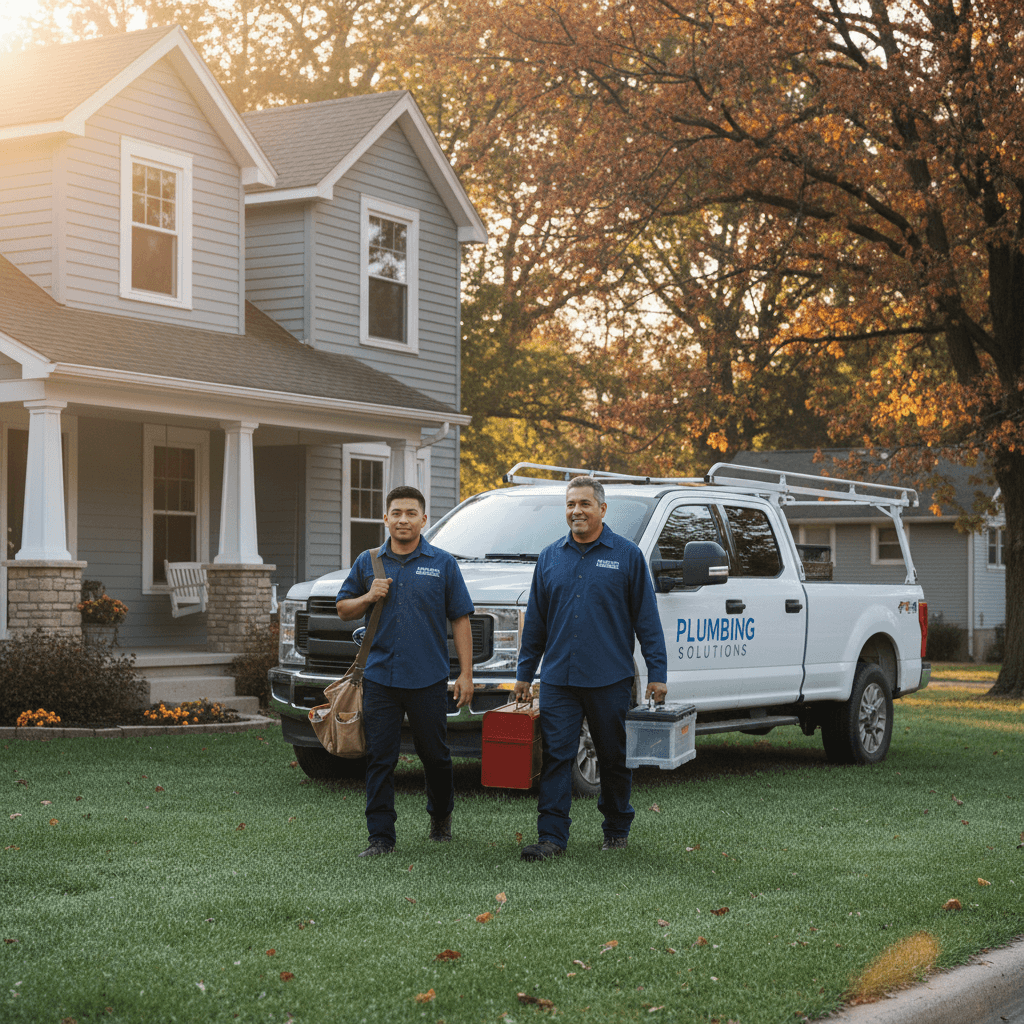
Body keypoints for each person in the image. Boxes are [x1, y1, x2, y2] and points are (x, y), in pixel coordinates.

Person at [513, 475, 668, 860]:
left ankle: (616, 829)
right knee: (556, 758)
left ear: (601, 509)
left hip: (609, 678)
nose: (576, 511)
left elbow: (647, 620)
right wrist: (523, 674)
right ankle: (551, 838)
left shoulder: (627, 555)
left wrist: (658, 673)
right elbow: (536, 623)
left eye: (584, 504)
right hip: (558, 680)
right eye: (570, 505)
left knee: (613, 757)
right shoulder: (550, 557)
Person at [336, 485, 474, 857]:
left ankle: (441, 817)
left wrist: (466, 675)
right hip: (380, 677)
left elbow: (460, 618)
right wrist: (368, 596)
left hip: (428, 678)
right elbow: (344, 609)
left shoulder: (443, 563)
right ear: (386, 518)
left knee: (436, 756)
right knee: (381, 757)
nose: (403, 519)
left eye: (411, 513)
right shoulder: (368, 562)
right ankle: (380, 837)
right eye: (396, 513)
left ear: (423, 519)